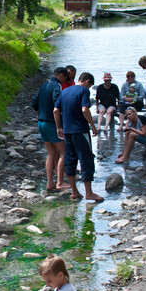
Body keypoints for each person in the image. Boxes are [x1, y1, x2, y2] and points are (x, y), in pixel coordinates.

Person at [53, 72, 103, 202]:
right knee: (86, 160)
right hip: (80, 131)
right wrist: (92, 125)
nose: (89, 88)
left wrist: (59, 127)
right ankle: (89, 193)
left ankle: (74, 191)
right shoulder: (83, 91)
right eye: (90, 85)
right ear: (87, 81)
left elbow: (56, 110)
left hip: (67, 131)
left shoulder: (64, 91)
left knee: (70, 160)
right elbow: (85, 110)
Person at [32, 67, 69, 191]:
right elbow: (57, 105)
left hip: (41, 123)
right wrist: (60, 126)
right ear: (62, 76)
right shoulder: (56, 86)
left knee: (51, 153)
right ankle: (60, 182)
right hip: (51, 123)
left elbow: (34, 102)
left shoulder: (44, 85)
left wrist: (38, 115)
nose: (65, 82)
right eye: (65, 79)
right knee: (64, 152)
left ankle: (49, 183)